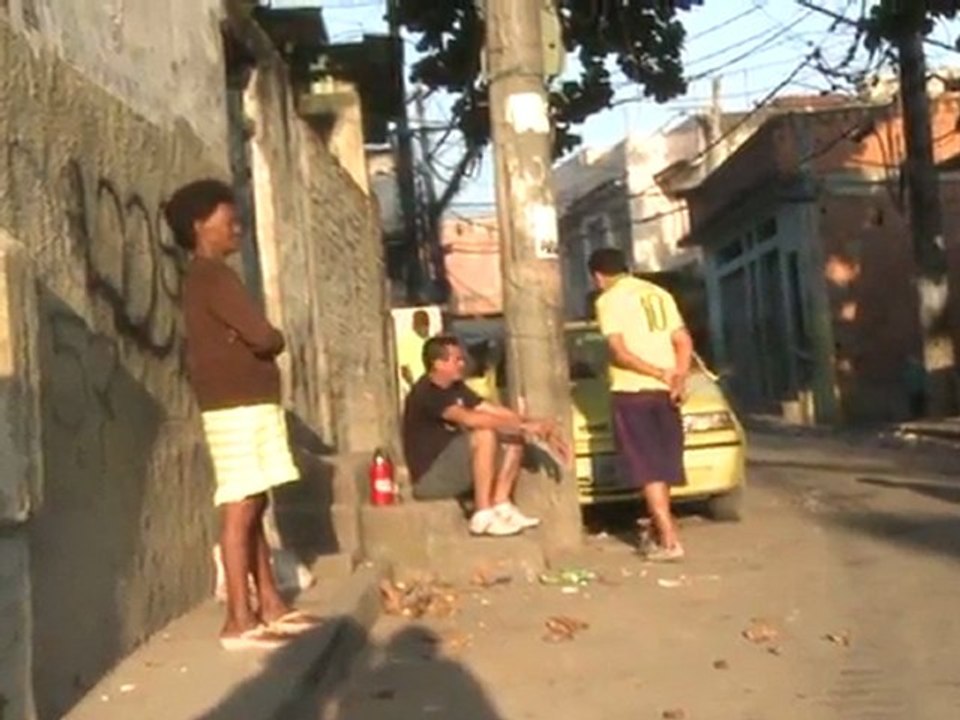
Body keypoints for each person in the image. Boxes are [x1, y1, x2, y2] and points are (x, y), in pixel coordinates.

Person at [164, 179, 319, 651]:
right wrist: (266, 338)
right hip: (237, 406)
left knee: (256, 502)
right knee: (242, 504)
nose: (238, 227)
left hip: (241, 403)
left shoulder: (208, 276)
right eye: (227, 219)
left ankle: (269, 604)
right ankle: (238, 619)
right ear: (199, 225)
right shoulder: (213, 276)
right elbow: (265, 336)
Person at [401, 335, 567, 536]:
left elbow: (490, 410)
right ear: (438, 363)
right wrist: (526, 427)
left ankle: (501, 504)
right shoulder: (426, 392)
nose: (462, 364)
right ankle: (482, 514)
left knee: (513, 436)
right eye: (457, 360)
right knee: (484, 434)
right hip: (430, 478)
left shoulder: (456, 387)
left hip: (455, 465)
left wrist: (532, 423)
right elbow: (471, 419)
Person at [588, 248, 693, 562]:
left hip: (633, 392)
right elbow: (684, 341)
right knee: (663, 464)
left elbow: (619, 352)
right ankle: (660, 530)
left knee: (647, 468)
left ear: (598, 276)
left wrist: (658, 372)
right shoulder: (659, 293)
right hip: (665, 393)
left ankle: (670, 541)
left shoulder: (608, 300)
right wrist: (678, 377)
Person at [397, 309, 435, 399]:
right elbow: (404, 369)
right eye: (420, 325)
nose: (424, 328)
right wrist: (414, 387)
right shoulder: (406, 342)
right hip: (417, 388)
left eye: (426, 325)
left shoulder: (431, 341)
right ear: (414, 325)